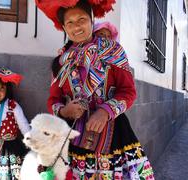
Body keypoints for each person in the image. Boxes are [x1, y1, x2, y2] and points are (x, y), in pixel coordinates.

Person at [35, 0, 155, 179]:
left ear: (91, 20)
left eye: (82, 19)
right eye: (70, 22)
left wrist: (105, 111)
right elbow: (53, 100)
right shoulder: (61, 61)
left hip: (113, 135)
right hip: (72, 135)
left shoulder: (113, 51)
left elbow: (128, 92)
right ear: (64, 27)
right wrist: (64, 111)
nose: (77, 26)